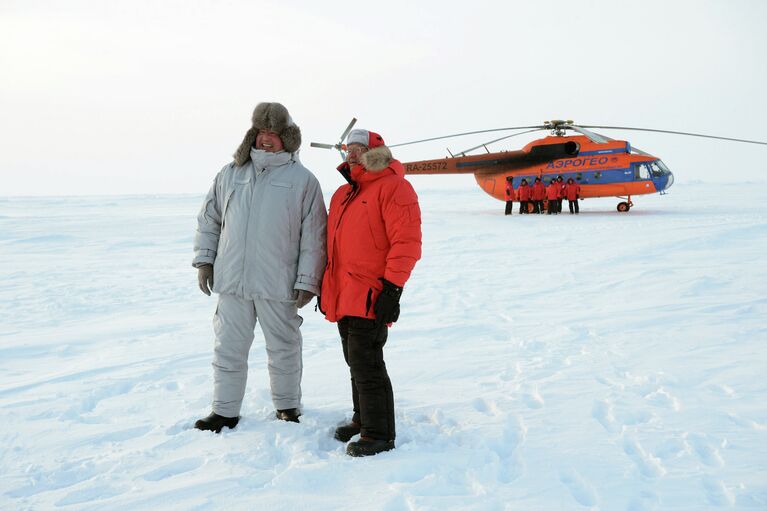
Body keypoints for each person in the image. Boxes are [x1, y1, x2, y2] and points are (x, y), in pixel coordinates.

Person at [192, 102, 327, 433]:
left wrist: (307, 281)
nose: (267, 140)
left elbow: (315, 236)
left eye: (274, 135)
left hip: (278, 283)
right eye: (262, 133)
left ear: (287, 139)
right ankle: (224, 412)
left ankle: (287, 407)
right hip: (232, 281)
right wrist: (206, 260)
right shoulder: (230, 173)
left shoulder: (303, 180)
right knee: (228, 349)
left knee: (284, 349)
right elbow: (210, 219)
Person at [320, 129, 422, 457]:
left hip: (373, 292)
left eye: (359, 149)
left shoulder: (394, 187)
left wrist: (392, 290)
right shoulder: (342, 194)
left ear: (375, 152)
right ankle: (362, 418)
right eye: (349, 148)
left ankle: (379, 433)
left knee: (368, 362)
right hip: (344, 291)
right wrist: (326, 286)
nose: (352, 154)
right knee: (354, 359)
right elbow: (333, 247)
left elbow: (406, 242)